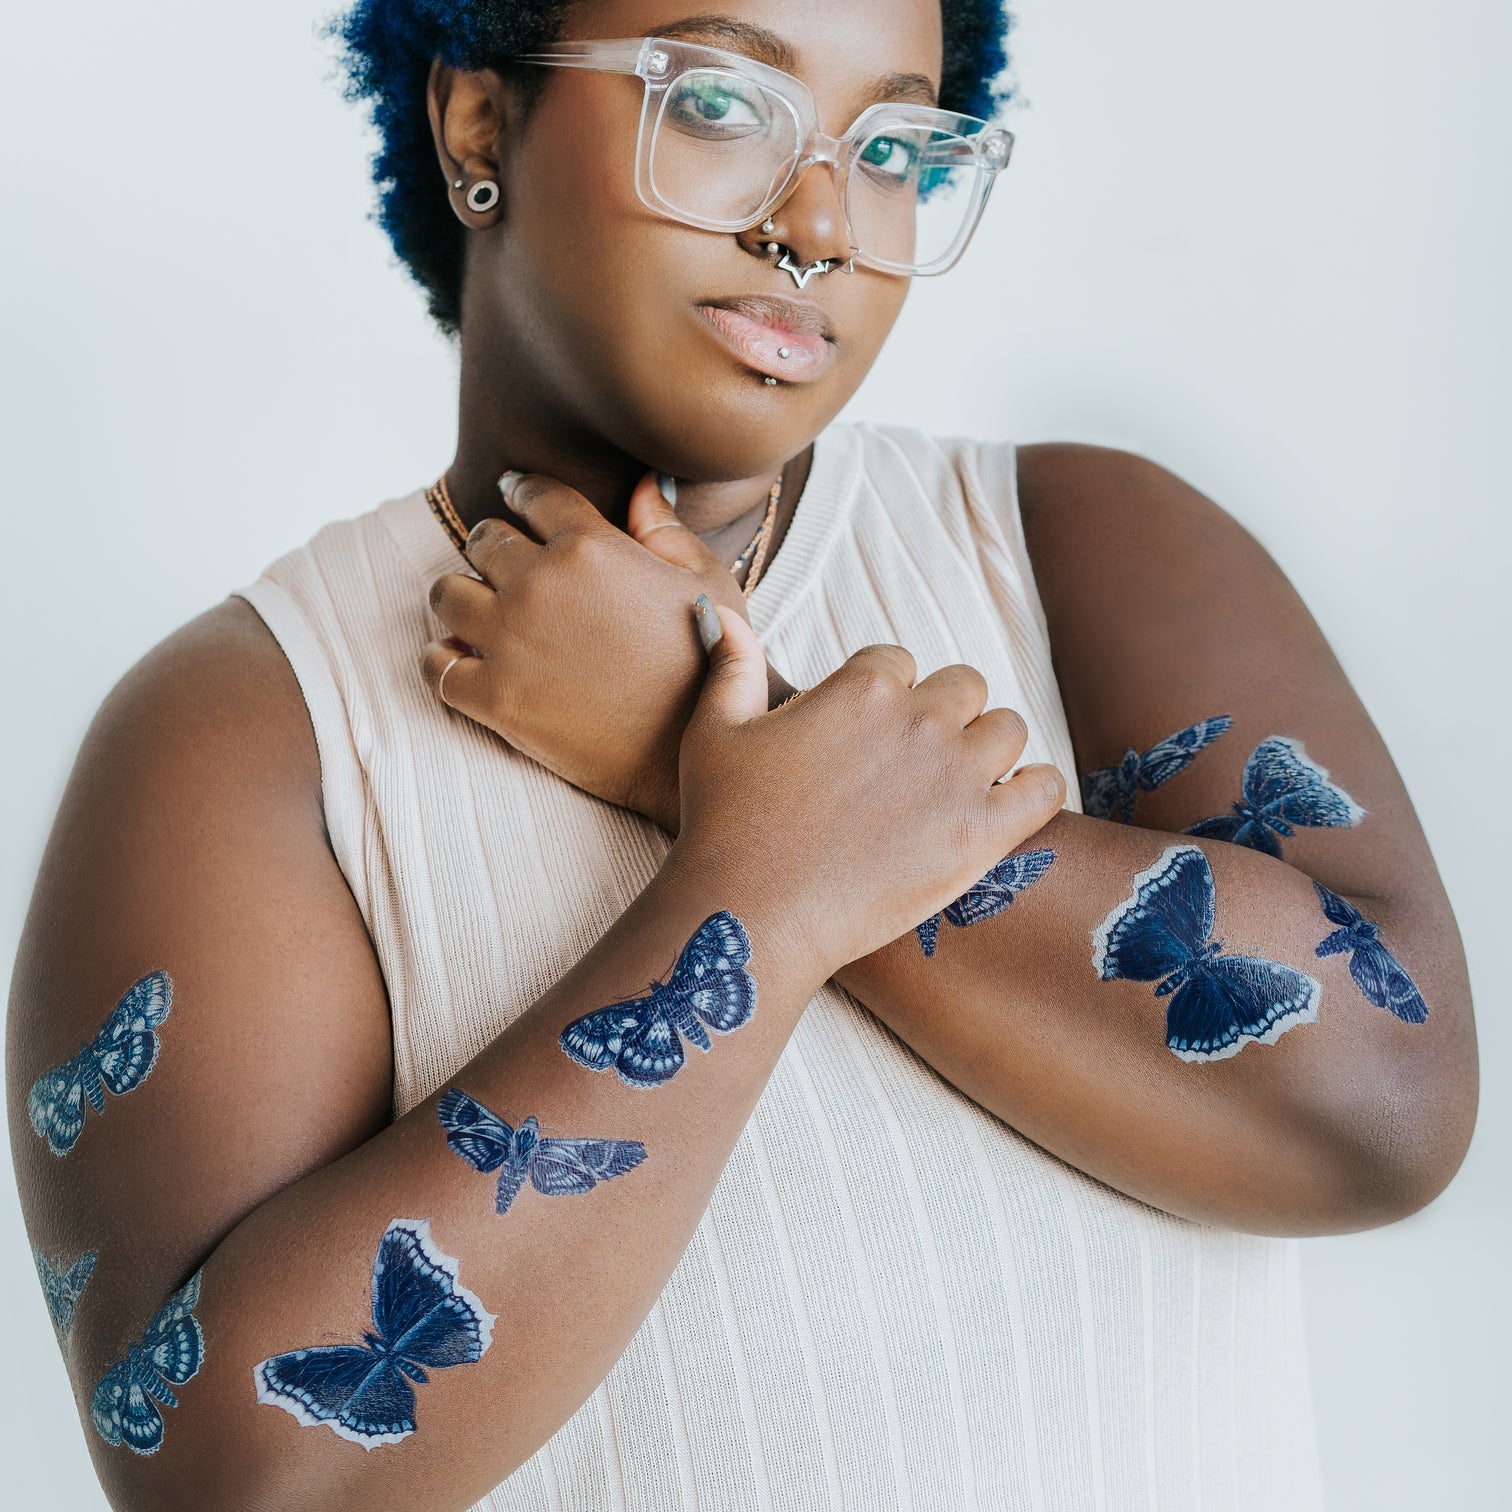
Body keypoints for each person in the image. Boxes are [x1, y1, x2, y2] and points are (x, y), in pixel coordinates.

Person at [8, 1, 1476, 1508]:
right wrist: (758, 893)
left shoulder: (1083, 551)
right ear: (474, 121)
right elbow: (237, 1484)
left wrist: (695, 742)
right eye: (719, 105)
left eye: (894, 145)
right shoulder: (251, 733)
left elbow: (1385, 1117)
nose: (821, 222)